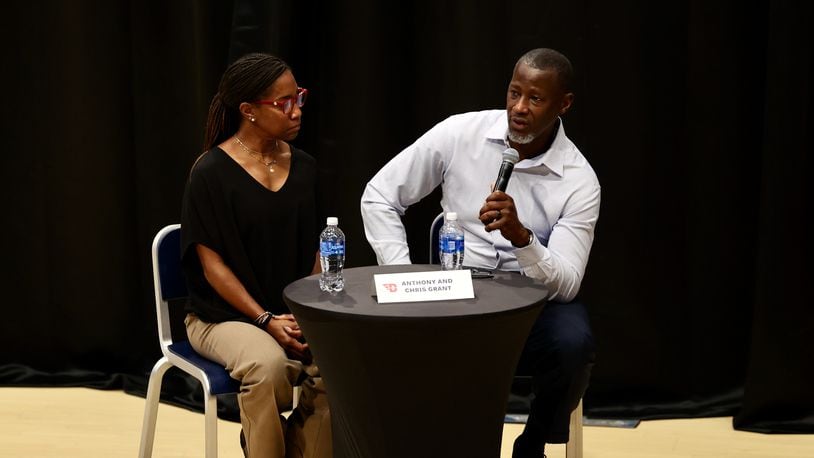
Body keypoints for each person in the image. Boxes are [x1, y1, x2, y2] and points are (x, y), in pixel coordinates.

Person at [360, 48, 599, 458]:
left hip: (532, 303)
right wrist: (403, 276)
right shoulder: (460, 134)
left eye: (535, 99)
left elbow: (567, 284)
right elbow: (379, 195)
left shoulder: (579, 179)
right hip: (459, 290)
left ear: (564, 104)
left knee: (573, 343)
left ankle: (534, 443)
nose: (519, 108)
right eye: (514, 93)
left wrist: (523, 237)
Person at [181, 53, 331, 458]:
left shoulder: (305, 168)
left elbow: (321, 248)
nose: (296, 110)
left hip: (293, 312)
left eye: (298, 97)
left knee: (341, 366)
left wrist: (306, 311)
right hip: (223, 316)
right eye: (283, 102)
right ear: (248, 111)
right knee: (267, 368)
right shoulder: (210, 172)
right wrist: (265, 320)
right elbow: (212, 267)